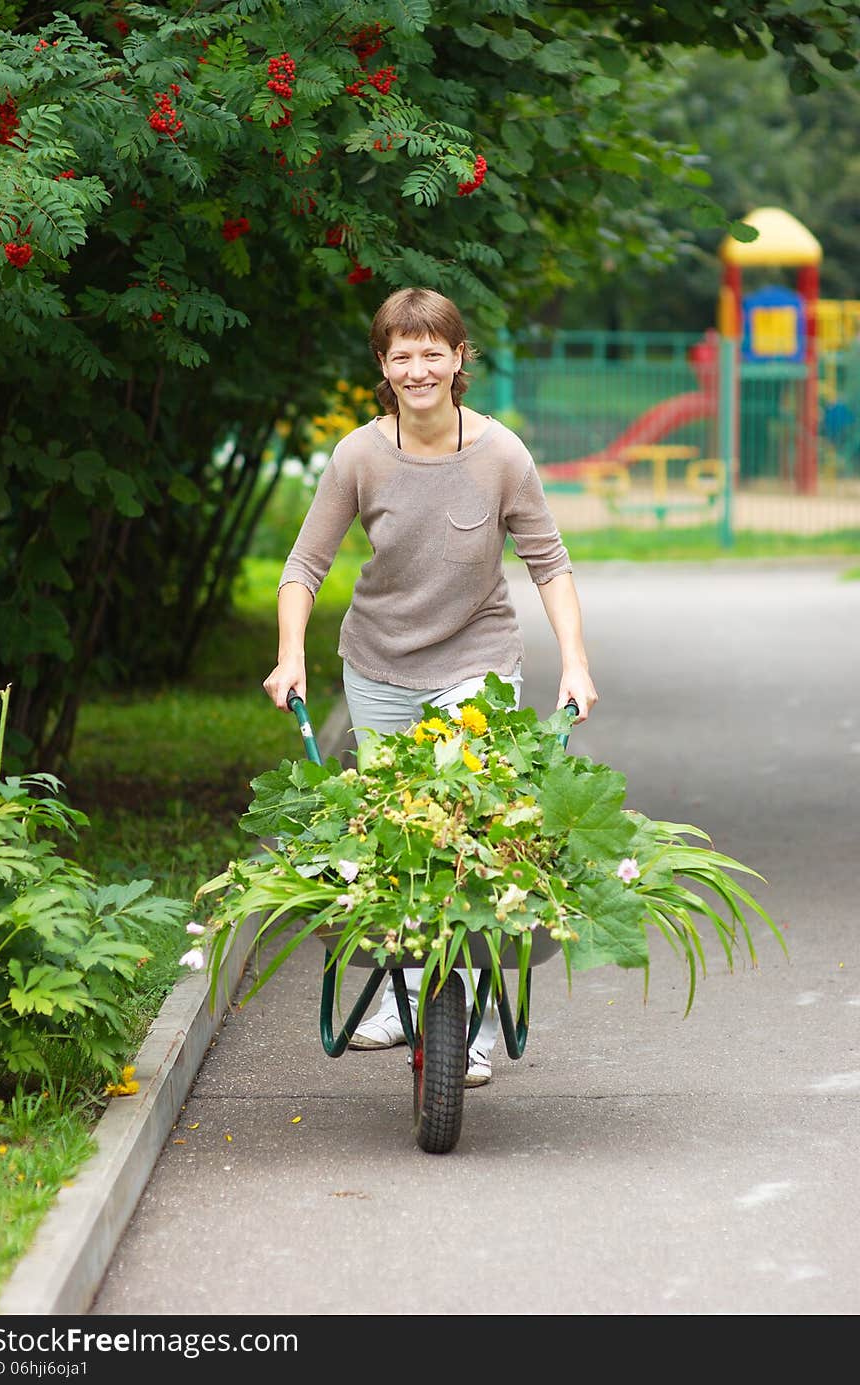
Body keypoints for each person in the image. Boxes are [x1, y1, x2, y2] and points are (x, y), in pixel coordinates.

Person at [263, 287, 598, 1087]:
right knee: (394, 842)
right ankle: (405, 999)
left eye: (432, 353)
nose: (418, 369)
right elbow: (303, 567)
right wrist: (289, 654)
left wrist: (576, 661)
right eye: (401, 355)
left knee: (469, 843)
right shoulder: (360, 455)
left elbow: (549, 564)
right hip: (378, 663)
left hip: (476, 664)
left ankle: (472, 1023)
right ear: (383, 366)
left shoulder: (502, 455)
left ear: (458, 360)